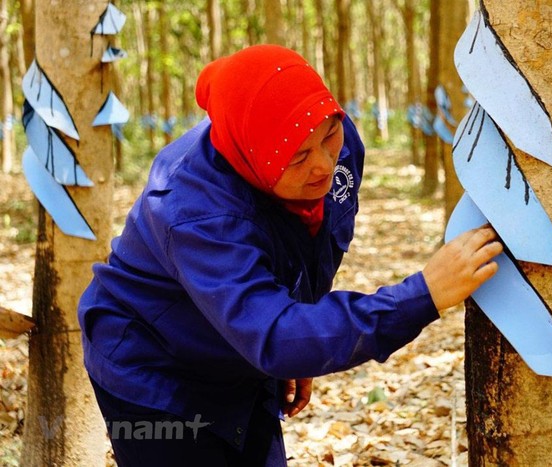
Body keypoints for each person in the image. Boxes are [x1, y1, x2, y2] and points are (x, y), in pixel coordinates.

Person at [78, 45, 502, 466]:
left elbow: (322, 243)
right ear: (253, 158)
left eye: (328, 137)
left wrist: (304, 330)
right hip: (152, 371)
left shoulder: (337, 142)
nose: (322, 165)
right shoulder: (194, 212)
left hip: (241, 349)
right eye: (297, 157)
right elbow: (274, 336)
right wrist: (422, 295)